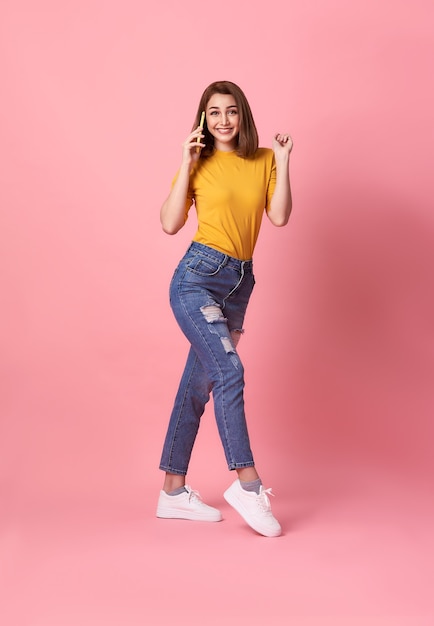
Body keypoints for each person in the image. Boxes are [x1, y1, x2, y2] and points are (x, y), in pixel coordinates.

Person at [156, 80, 293, 537]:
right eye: (213, 113)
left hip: (239, 284)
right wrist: (184, 162)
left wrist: (286, 161)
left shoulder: (264, 160)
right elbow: (171, 223)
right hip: (197, 277)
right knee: (230, 372)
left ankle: (172, 493)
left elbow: (278, 216)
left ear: (243, 115)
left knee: (200, 384)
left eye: (230, 111)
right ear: (203, 119)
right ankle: (247, 484)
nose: (223, 121)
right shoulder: (199, 162)